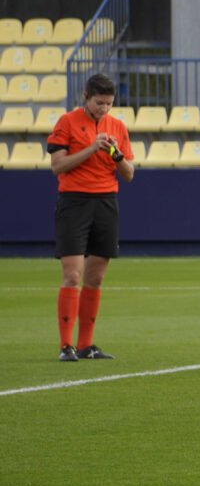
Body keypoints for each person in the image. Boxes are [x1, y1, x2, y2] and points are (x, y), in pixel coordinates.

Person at [48, 73, 135, 362]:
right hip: (74, 202)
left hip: (106, 202)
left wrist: (116, 155)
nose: (104, 109)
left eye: (109, 104)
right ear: (86, 97)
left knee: (95, 278)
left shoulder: (118, 126)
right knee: (73, 274)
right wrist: (91, 148)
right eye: (99, 103)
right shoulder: (67, 122)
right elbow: (58, 166)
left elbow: (130, 174)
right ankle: (65, 346)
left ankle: (86, 345)